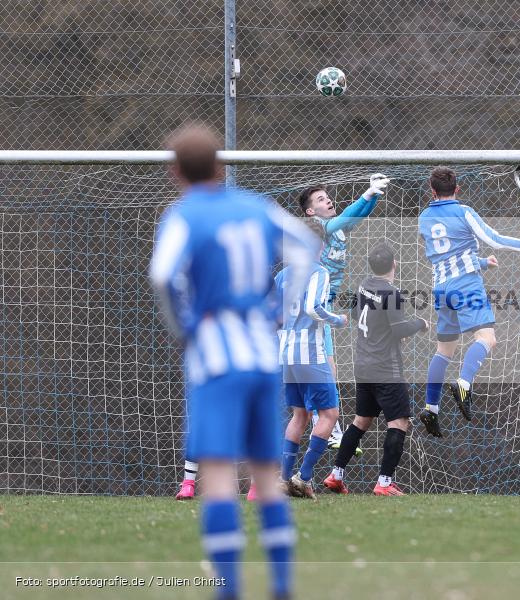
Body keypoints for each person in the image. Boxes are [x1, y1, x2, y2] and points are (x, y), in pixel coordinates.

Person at [150, 124, 316, 599]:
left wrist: (184, 327)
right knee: (266, 476)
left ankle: (229, 590)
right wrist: (279, 310)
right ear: (221, 167)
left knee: (219, 475)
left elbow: (163, 275)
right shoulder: (256, 206)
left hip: (215, 361)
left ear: (175, 172)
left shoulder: (183, 215)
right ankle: (281, 587)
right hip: (264, 356)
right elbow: (305, 247)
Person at [417, 167, 520, 437]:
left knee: (444, 351)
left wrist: (480, 262)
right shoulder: (463, 211)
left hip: (441, 288)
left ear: (432, 190)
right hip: (465, 285)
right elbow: (495, 240)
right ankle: (464, 383)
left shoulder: (424, 217)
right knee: (487, 338)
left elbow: (445, 254)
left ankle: (431, 408)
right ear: (457, 189)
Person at [323, 242, 429, 496]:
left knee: (361, 421)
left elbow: (372, 318)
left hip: (363, 364)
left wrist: (390, 332)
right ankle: (384, 482)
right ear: (395, 264)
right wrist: (420, 323)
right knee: (399, 422)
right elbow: (400, 328)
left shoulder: (363, 286)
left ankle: (336, 475)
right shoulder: (391, 293)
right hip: (385, 368)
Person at [299, 175, 389, 450]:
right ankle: (327, 425)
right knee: (325, 367)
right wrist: (365, 193)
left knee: (327, 367)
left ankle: (328, 426)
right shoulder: (320, 227)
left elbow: (357, 215)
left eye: (327, 196)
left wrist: (372, 197)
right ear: (310, 212)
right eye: (320, 199)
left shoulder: (337, 229)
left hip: (323, 307)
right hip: (312, 309)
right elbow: (347, 215)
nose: (327, 200)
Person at [276, 219, 349, 500]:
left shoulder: (283, 275)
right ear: (319, 245)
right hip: (310, 353)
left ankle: (284, 478)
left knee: (299, 415)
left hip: (286, 354)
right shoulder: (319, 272)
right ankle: (303, 477)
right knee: (330, 414)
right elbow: (313, 307)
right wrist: (337, 320)